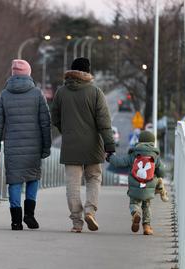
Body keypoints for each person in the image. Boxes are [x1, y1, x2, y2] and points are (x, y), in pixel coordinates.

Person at [51, 57, 115, 233]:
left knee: (72, 184)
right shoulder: (95, 92)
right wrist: (109, 146)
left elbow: (54, 118)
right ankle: (90, 211)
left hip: (70, 145)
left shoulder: (61, 92)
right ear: (87, 72)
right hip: (93, 146)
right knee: (93, 178)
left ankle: (76, 222)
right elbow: (104, 123)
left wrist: (67, 131)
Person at [0, 59, 51, 230]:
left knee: (15, 182)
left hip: (13, 146)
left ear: (13, 74)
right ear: (28, 74)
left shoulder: (4, 95)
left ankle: (16, 220)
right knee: (33, 178)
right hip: (34, 146)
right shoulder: (37, 94)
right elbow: (45, 122)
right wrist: (46, 147)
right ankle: (29, 215)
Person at [107, 131, 166, 235]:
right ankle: (147, 227)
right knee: (146, 205)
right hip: (149, 186)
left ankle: (135, 213)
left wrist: (110, 158)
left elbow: (120, 162)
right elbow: (162, 172)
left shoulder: (134, 154)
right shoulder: (155, 156)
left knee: (134, 203)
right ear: (152, 142)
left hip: (135, 185)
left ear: (139, 141)